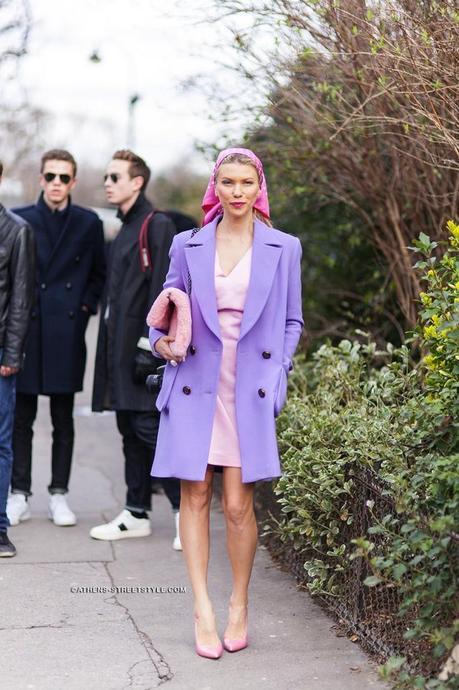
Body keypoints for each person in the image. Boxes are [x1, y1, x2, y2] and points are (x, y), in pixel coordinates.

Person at [150, 147, 304, 658]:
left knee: (239, 506)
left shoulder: (284, 247)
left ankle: (238, 602)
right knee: (194, 496)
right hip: (196, 380)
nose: (238, 192)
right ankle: (203, 609)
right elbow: (164, 310)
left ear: (259, 187)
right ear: (216, 188)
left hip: (249, 387)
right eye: (229, 183)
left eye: (247, 183)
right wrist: (161, 342)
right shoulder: (186, 244)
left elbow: (291, 320)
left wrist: (278, 369)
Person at [7, 149, 106, 528]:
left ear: (74, 182)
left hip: (67, 331)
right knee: (22, 418)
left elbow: (99, 274)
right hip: (29, 331)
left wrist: (83, 310)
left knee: (64, 418)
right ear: (41, 179)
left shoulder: (88, 222)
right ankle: (19, 494)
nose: (57, 184)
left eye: (64, 178)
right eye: (51, 176)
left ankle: (59, 494)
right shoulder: (20, 219)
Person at [90, 150, 182, 549]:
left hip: (143, 351)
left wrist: (150, 347)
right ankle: (136, 512)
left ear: (137, 181)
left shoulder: (156, 225)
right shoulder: (125, 226)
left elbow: (166, 289)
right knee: (128, 426)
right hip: (116, 347)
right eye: (107, 177)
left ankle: (184, 516)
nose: (108, 183)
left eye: (115, 176)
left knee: (150, 429)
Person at [0, 160, 36, 556]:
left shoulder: (16, 230)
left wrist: (11, 354)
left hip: (0, 355)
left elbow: (21, 299)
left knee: (0, 442)